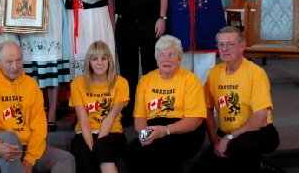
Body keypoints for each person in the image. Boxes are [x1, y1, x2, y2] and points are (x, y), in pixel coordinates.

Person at [0, 40, 75, 173]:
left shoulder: (31, 84)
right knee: (10, 137)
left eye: (18, 60)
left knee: (65, 159)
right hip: (0, 148)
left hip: (27, 146)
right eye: (9, 62)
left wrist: (30, 158)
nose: (15, 66)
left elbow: (39, 126)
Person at [9, 0, 70, 131]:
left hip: (51, 11)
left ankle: (51, 115)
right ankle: (33, 115)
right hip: (28, 14)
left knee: (50, 66)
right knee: (31, 70)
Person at [192, 26, 279, 173]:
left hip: (258, 132)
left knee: (241, 146)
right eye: (221, 44)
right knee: (201, 169)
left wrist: (228, 139)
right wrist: (213, 137)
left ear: (242, 46)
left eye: (230, 44)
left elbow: (260, 118)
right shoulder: (214, 73)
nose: (225, 49)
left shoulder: (255, 73)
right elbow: (206, 107)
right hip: (227, 132)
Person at [109, 0, 170, 126]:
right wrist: (111, 23)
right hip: (125, 24)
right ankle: (129, 111)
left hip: (150, 23)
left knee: (151, 69)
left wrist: (162, 17)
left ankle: (153, 109)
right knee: (126, 70)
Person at [125, 35, 206, 172]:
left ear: (179, 58)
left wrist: (166, 130)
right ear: (156, 59)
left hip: (184, 130)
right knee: (133, 153)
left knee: (162, 152)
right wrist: (144, 134)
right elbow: (139, 116)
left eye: (171, 55)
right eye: (161, 55)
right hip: (154, 127)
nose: (166, 59)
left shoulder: (191, 80)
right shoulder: (146, 80)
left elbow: (194, 120)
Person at [69, 41, 129, 173]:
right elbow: (83, 119)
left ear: (109, 61)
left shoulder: (120, 82)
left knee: (102, 148)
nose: (100, 63)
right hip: (84, 133)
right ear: (89, 62)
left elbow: (110, 117)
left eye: (104, 58)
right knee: (84, 155)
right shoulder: (77, 83)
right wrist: (91, 145)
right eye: (95, 59)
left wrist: (97, 147)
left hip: (112, 133)